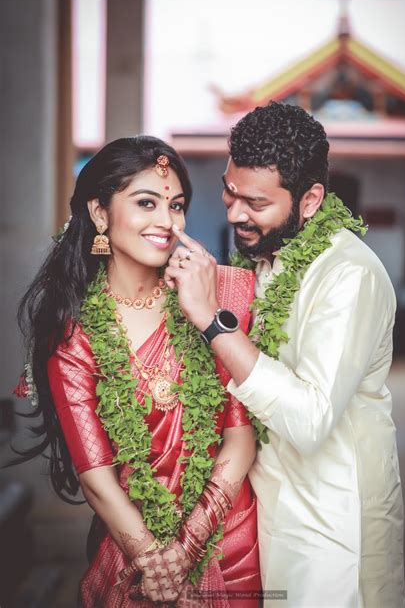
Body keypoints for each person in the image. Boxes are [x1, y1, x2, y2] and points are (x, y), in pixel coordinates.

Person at [164, 102, 405, 608]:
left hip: (330, 523)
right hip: (259, 514)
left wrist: (213, 322)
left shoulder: (349, 274)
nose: (233, 213)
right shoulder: (263, 256)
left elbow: (312, 419)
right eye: (229, 191)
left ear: (311, 199)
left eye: (254, 202)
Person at [13, 136, 261, 607]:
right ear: (100, 213)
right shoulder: (74, 335)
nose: (166, 222)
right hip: (132, 543)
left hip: (229, 538)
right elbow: (96, 476)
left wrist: (185, 549)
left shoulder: (217, 296)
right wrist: (154, 561)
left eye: (177, 205)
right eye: (146, 203)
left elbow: (241, 436)